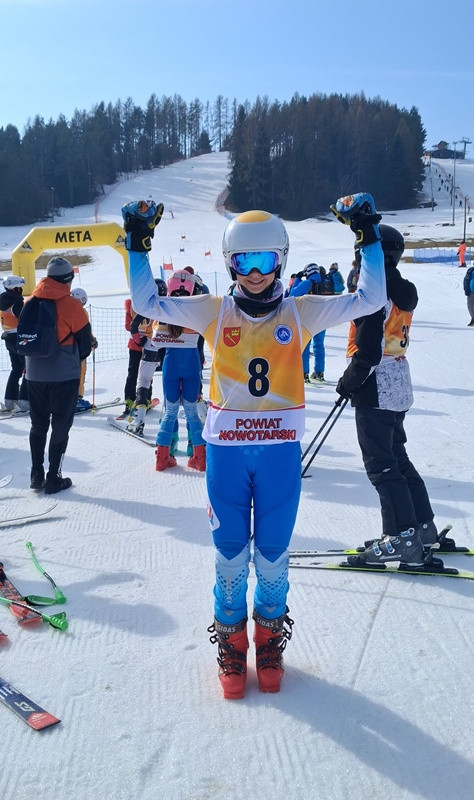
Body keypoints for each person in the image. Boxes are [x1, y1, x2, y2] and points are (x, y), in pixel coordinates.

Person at [123, 194, 386, 700]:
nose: (256, 273)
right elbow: (149, 304)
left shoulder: (300, 311)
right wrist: (137, 243)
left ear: (281, 260)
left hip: (278, 457)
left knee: (272, 558)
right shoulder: (214, 310)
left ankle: (267, 644)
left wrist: (367, 234)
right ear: (230, 264)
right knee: (229, 559)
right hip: (226, 456)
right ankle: (231, 644)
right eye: (244, 262)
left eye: (265, 260)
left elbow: (369, 300)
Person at [335, 224, 453, 568]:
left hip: (375, 384)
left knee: (382, 465)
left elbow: (369, 351)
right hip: (396, 382)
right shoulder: (400, 288)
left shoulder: (375, 294)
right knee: (397, 458)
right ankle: (422, 528)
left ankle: (402, 537)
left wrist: (348, 382)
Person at [22, 257, 92, 493]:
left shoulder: (30, 301)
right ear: (68, 279)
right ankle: (54, 477)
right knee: (60, 425)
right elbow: (84, 345)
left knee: (38, 424)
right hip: (63, 376)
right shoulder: (72, 305)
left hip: (34, 374)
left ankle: (36, 475)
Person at [153, 269, 206, 472]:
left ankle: (162, 457)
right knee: (192, 412)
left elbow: (153, 338)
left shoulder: (164, 310)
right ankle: (199, 457)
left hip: (171, 364)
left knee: (170, 412)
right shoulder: (196, 311)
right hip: (192, 364)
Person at [0, 275, 29, 413]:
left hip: (9, 339)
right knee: (29, 369)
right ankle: (24, 401)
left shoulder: (3, 301)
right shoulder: (17, 304)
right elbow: (26, 320)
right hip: (19, 339)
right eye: (20, 288)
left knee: (16, 369)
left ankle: (10, 401)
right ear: (16, 289)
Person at [71, 287, 98, 411]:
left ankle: (69, 399)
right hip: (78, 348)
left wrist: (92, 339)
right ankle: (77, 399)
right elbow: (85, 330)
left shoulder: (62, 309)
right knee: (80, 371)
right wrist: (91, 340)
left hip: (66, 347)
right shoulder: (80, 312)